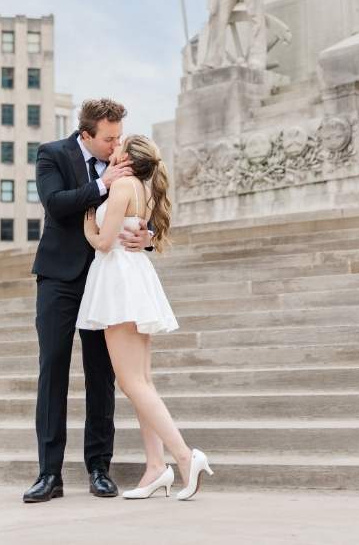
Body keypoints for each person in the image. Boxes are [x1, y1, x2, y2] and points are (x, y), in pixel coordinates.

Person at [23, 98, 151, 504]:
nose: (116, 146)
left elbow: (143, 210)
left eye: (118, 136)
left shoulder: (124, 162)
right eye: (108, 139)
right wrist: (101, 184)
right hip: (60, 278)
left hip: (106, 279)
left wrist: (145, 239)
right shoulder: (52, 154)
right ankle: (49, 474)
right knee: (53, 368)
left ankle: (99, 468)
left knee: (102, 374)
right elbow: (55, 204)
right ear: (86, 136)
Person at [77, 133, 213, 501]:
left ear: (127, 157)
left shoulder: (121, 186)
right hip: (134, 277)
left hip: (118, 281)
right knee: (142, 381)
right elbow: (137, 234)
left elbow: (105, 243)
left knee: (132, 382)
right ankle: (156, 467)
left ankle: (185, 457)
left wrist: (89, 228)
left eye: (119, 146)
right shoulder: (144, 189)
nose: (114, 148)